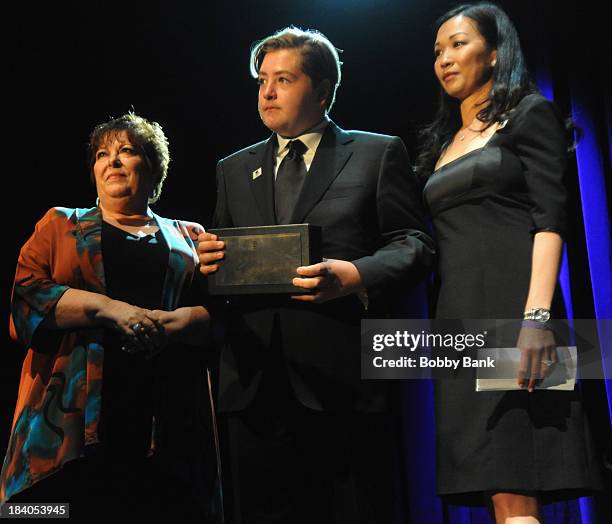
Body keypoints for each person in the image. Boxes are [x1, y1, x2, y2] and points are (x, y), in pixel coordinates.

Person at [198, 26, 434, 524]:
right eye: (262, 79)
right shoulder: (232, 169)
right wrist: (207, 261)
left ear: (323, 89)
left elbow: (415, 244)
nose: (267, 91)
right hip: (253, 378)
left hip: (343, 373)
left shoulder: (376, 152)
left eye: (283, 79)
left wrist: (354, 274)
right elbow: (221, 268)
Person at [417, 4, 602, 523]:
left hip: (518, 316)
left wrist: (536, 320)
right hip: (460, 326)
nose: (445, 59)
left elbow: (551, 221)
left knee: (518, 479)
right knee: (498, 490)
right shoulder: (442, 144)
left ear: (495, 53)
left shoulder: (528, 114)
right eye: (437, 51)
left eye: (458, 44)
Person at [0, 113, 218, 521]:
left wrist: (180, 323)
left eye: (128, 151)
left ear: (154, 172)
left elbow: (221, 315)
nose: (112, 161)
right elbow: (26, 298)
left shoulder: (191, 236)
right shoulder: (60, 224)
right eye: (103, 154)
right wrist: (111, 309)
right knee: (52, 512)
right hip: (68, 419)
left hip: (163, 412)